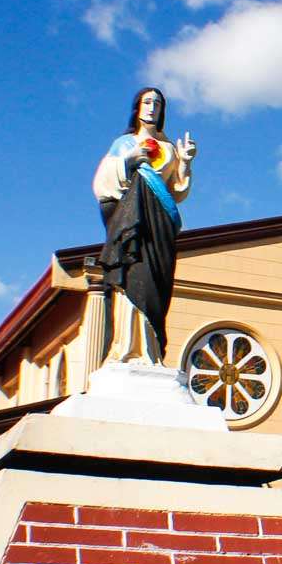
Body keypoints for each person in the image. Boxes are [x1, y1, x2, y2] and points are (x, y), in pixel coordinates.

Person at [92, 87, 196, 362]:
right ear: (137, 108)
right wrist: (129, 160)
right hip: (134, 218)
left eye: (158, 104)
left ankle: (151, 349)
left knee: (158, 284)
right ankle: (128, 349)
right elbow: (102, 184)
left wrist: (184, 163)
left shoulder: (169, 149)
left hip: (160, 223)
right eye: (147, 102)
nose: (152, 108)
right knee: (135, 273)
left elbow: (175, 191)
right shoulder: (124, 144)